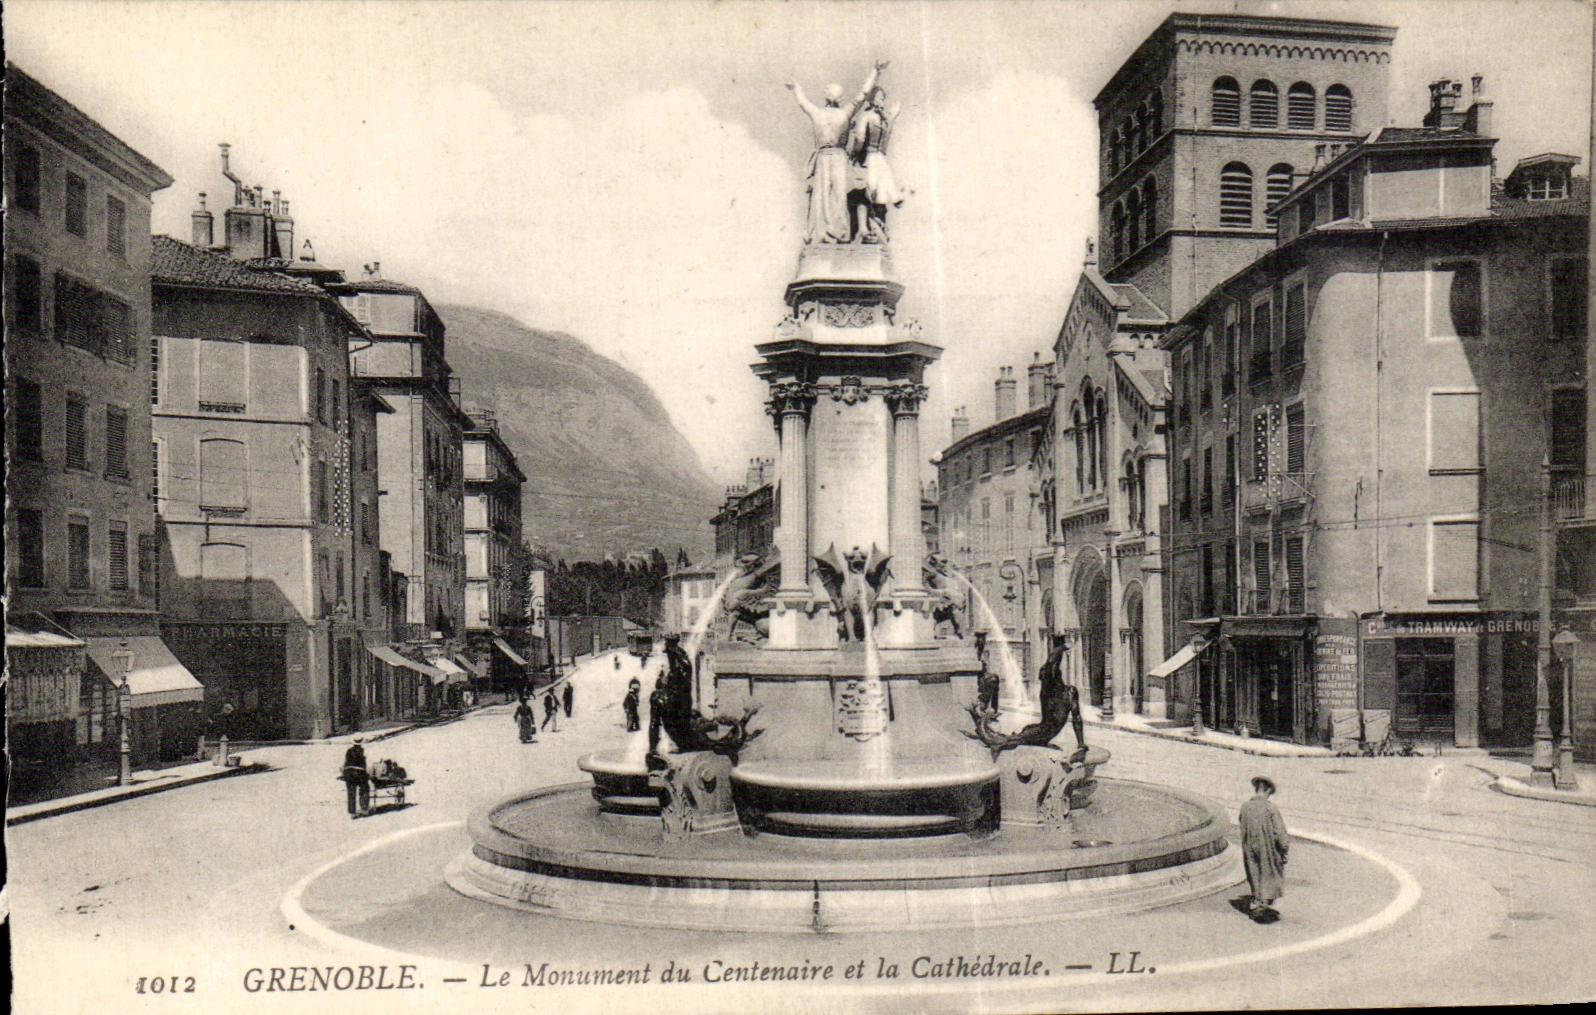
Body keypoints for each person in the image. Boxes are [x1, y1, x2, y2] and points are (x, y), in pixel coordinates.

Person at [786, 60, 887, 244]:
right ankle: (832, 234)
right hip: (831, 158)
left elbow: (802, 101)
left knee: (830, 196)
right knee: (829, 196)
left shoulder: (826, 113)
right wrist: (875, 71)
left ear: (829, 96)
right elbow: (862, 94)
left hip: (831, 158)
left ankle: (835, 234)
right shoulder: (841, 113)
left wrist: (796, 88)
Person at [848, 85, 904, 243]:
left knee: (862, 192)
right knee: (882, 194)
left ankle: (864, 229)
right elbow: (893, 116)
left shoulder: (866, 116)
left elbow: (859, 139)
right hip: (882, 160)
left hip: (869, 158)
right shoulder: (886, 119)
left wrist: (853, 153)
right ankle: (879, 228)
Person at [1238, 776, 1290, 920]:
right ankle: (1263, 904)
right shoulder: (1270, 808)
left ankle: (1257, 901)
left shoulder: (1245, 807)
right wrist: (1284, 850)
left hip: (1249, 846)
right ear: (1267, 790)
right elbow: (1280, 833)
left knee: (1254, 872)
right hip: (1268, 848)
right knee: (1269, 873)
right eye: (1269, 793)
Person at [340, 738, 371, 819]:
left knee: (351, 792)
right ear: (361, 743)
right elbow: (367, 766)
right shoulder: (363, 751)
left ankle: (352, 812)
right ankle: (364, 809)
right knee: (364, 788)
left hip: (348, 772)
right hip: (359, 772)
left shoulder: (348, 751)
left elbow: (344, 763)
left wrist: (343, 772)